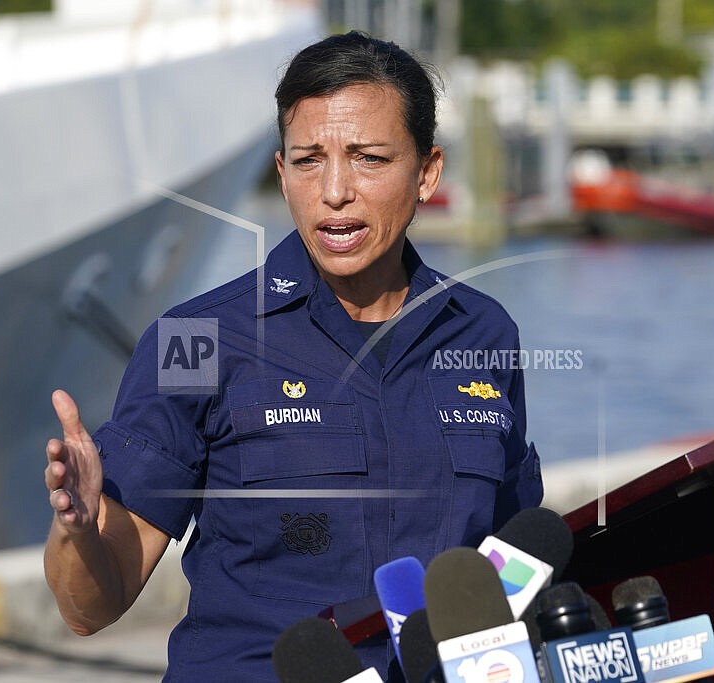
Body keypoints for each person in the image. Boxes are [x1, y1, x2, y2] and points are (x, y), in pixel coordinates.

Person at [43, 31, 543, 681]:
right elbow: (90, 609)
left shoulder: (483, 333)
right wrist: (80, 526)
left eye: (367, 157)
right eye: (308, 160)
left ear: (427, 171)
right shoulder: (195, 339)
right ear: (281, 174)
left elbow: (513, 562)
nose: (334, 190)